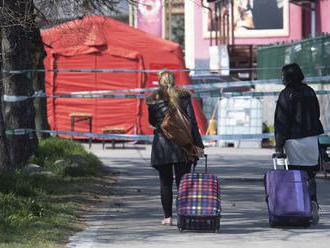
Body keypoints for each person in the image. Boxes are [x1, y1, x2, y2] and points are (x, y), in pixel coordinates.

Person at [146, 71, 204, 226]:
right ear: (174, 81)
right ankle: (183, 215)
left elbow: (152, 121)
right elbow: (192, 123)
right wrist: (199, 145)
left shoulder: (153, 99)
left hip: (161, 146)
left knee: (165, 183)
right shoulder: (184, 97)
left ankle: (167, 217)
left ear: (159, 82)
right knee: (182, 182)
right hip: (182, 145)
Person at [274, 63, 324, 223]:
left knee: (296, 176)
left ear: (287, 77)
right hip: (311, 139)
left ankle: (300, 207)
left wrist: (279, 146)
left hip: (294, 141)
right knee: (310, 175)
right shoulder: (309, 91)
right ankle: (313, 202)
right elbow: (317, 113)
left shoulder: (286, 94)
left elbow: (281, 122)